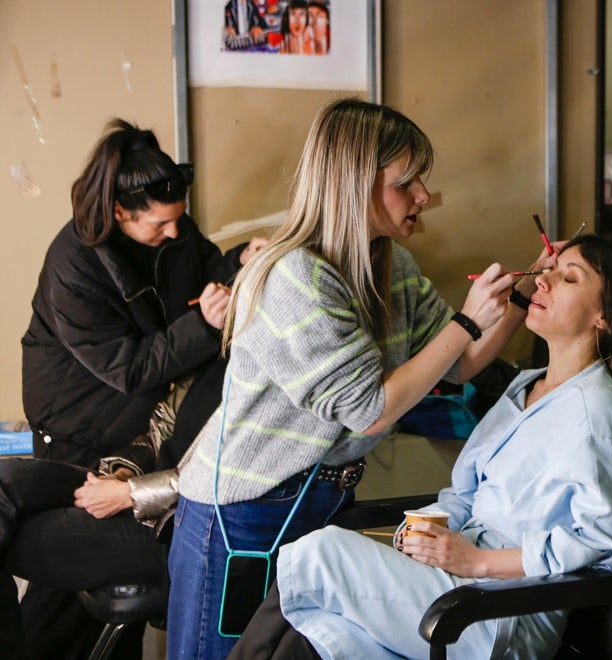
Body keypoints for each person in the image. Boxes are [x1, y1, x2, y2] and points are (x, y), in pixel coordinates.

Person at [167, 98, 540, 659]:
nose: (423, 196)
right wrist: (466, 321)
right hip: (245, 515)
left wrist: (518, 301)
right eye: (407, 182)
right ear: (353, 183)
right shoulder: (292, 278)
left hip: (322, 501)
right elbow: (370, 408)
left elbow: (456, 363)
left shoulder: (393, 266)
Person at [228, 234, 612, 659]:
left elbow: (603, 546)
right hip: (458, 583)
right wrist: (426, 532)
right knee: (319, 633)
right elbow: (466, 495)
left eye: (568, 278)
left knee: (319, 553)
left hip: (503, 614)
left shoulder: (598, 414)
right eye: (550, 270)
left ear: (603, 315)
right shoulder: (524, 388)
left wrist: (478, 559)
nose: (542, 279)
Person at [17, 117, 264, 658]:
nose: (174, 232)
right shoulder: (72, 267)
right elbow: (130, 369)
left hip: (141, 427)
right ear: (120, 212)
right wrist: (205, 327)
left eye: (179, 221)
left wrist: (239, 260)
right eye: (160, 226)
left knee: (92, 584)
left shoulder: (170, 223)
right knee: (62, 593)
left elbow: (204, 271)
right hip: (80, 427)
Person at [0, 358, 227, 658]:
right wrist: (122, 474)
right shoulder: (216, 357)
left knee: (12, 538)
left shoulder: (262, 367)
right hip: (137, 486)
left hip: (181, 527)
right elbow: (159, 430)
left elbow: (227, 477)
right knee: (5, 479)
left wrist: (130, 494)